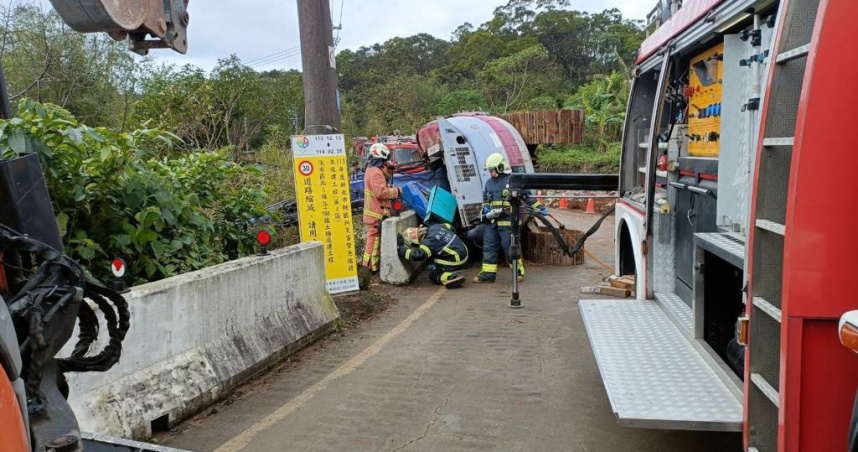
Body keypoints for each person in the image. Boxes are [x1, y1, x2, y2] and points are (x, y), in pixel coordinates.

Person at [473, 153, 547, 284]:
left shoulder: (513, 181)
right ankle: (488, 274)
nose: (491, 172)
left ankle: (518, 272)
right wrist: (486, 209)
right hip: (492, 222)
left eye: (492, 169)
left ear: (500, 167)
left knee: (510, 247)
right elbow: (486, 200)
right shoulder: (489, 183)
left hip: (508, 222)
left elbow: (527, 197)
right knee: (489, 247)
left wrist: (539, 208)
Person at [362, 143, 401, 273]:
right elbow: (381, 192)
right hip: (376, 213)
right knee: (374, 242)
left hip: (372, 212)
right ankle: (370, 268)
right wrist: (397, 191)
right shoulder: (376, 172)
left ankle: (370, 267)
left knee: (374, 241)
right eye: (385, 160)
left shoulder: (370, 169)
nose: (386, 162)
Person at [398, 223, 467, 289]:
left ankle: (452, 277)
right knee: (434, 252)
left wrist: (401, 248)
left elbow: (418, 256)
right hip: (464, 250)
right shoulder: (435, 226)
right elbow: (451, 227)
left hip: (457, 258)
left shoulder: (428, 242)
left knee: (434, 275)